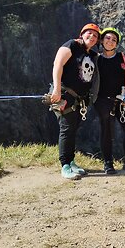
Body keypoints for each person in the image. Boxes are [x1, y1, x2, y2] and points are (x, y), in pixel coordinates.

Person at [50, 23, 101, 180]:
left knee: (73, 129)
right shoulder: (71, 45)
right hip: (66, 94)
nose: (91, 37)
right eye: (89, 34)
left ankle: (71, 162)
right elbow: (58, 64)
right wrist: (57, 89)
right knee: (66, 129)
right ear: (82, 34)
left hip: (81, 99)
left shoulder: (92, 55)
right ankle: (65, 165)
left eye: (95, 36)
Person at [93, 27, 125, 174]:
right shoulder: (96, 59)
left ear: (117, 44)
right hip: (103, 99)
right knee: (106, 130)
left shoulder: (123, 58)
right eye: (107, 38)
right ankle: (108, 163)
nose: (110, 42)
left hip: (123, 99)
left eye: (113, 40)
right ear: (101, 40)